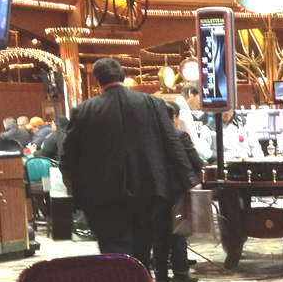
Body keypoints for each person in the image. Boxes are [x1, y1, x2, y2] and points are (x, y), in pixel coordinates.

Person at [60, 58, 198, 270]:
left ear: (98, 80)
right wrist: (190, 179)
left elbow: (70, 153)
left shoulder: (84, 109)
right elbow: (172, 142)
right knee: (143, 247)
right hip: (148, 187)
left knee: (113, 248)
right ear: (123, 76)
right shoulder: (152, 103)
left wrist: (72, 186)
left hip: (102, 194)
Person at [153, 101, 202, 282]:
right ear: (173, 118)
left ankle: (160, 274)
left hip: (155, 189)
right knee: (178, 230)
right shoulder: (180, 136)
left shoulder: (151, 138)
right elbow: (195, 161)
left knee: (159, 231)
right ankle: (181, 272)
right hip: (176, 189)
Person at [176, 82, 211, 162]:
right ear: (190, 94)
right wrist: (212, 157)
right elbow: (194, 145)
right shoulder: (184, 114)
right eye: (201, 97)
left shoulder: (177, 109)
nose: (203, 102)